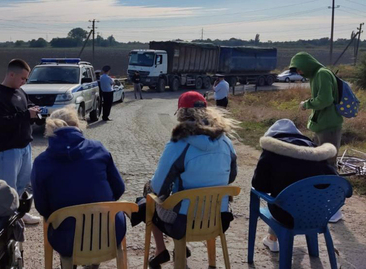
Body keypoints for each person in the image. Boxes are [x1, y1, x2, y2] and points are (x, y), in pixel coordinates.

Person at [147, 91, 238, 268]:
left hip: (184, 220)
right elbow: (231, 176)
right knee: (177, 200)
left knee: (148, 198)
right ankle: (204, 259)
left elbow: (159, 187)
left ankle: (161, 250)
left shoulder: (179, 143)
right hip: (219, 217)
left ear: (181, 114)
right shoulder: (226, 140)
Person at [31, 106, 126, 269]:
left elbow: (42, 207)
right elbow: (119, 188)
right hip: (109, 233)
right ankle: (93, 261)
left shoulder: (42, 162)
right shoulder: (98, 148)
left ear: (50, 130)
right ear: (78, 125)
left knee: (64, 227)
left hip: (68, 240)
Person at [251, 119, 338, 252]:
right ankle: (312, 249)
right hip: (318, 214)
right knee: (291, 199)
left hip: (285, 215)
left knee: (281, 199)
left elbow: (259, 186)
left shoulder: (271, 151)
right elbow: (333, 182)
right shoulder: (315, 151)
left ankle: (272, 239)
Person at [0, 58, 41, 225]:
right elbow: (0, 124)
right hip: (8, 149)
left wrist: (34, 112)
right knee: (7, 187)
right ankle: (4, 218)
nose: (24, 82)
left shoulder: (20, 92)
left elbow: (28, 106)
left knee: (22, 184)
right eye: (22, 78)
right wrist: (26, 115)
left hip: (25, 145)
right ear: (11, 74)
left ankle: (19, 213)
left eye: (26, 79)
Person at [290, 52, 343, 166]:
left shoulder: (322, 74)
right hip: (322, 124)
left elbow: (325, 100)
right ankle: (320, 182)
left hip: (329, 125)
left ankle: (330, 183)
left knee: (327, 162)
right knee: (319, 160)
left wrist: (306, 104)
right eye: (296, 71)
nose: (299, 72)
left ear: (307, 64)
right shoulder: (316, 75)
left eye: (300, 69)